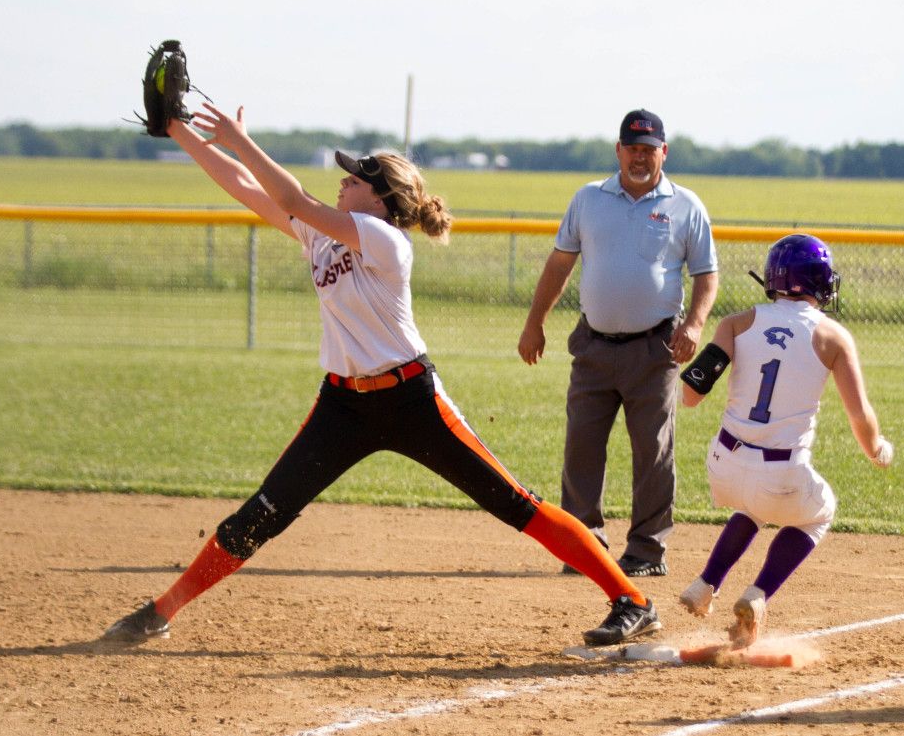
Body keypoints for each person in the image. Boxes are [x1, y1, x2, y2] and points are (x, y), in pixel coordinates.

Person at [102, 103, 661, 648]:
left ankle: (632, 600)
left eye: (355, 178)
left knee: (514, 503)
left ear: (382, 197)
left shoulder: (387, 241)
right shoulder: (323, 235)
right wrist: (179, 129)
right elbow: (250, 188)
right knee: (264, 511)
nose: (343, 182)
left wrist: (238, 137)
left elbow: (291, 195)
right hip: (342, 406)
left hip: (412, 401)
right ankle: (161, 611)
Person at [518, 109, 718, 577]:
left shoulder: (685, 205)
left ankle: (647, 552)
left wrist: (693, 325)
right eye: (632, 148)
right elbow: (559, 266)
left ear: (664, 152)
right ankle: (584, 547)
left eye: (649, 150)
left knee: (653, 452)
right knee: (581, 448)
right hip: (593, 344)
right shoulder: (589, 199)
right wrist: (534, 324)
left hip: (656, 348)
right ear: (618, 150)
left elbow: (707, 276)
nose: (640, 158)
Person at [677, 234, 894, 648]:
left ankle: (706, 583)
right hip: (780, 471)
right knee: (818, 513)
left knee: (756, 506)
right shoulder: (833, 336)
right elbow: (859, 414)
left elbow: (691, 394)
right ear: (822, 283)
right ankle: (757, 595)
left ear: (772, 278)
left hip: (723, 463)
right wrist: (877, 449)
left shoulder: (736, 323)